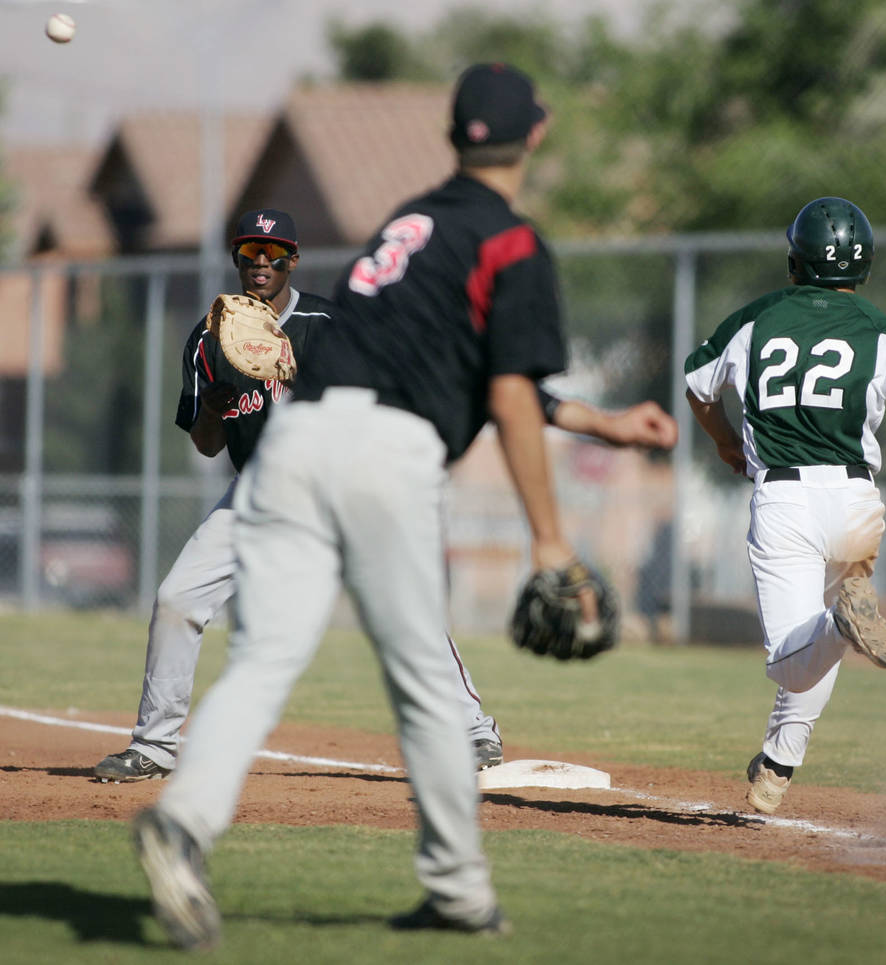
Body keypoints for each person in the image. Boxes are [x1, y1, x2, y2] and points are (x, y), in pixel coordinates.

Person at [131, 63, 675, 949]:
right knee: (423, 678)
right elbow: (506, 395)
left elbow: (455, 366)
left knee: (264, 657)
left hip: (295, 446)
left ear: (451, 135)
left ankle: (184, 821)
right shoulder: (513, 243)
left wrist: (605, 426)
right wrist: (550, 541)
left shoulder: (406, 224)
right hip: (389, 455)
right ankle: (459, 889)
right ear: (534, 137)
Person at [95, 207, 677, 786]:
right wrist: (222, 396)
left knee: (406, 606)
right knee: (177, 599)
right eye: (250, 252)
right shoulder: (210, 335)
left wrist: (296, 371)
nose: (262, 262)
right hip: (261, 490)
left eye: (274, 253)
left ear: (294, 260)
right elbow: (205, 442)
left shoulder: (331, 322)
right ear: (237, 260)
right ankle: (154, 745)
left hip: (343, 481)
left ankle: (473, 728)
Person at [683, 196, 886, 816]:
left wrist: (724, 440)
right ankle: (777, 767)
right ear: (866, 265)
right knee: (817, 645)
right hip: (857, 500)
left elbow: (698, 384)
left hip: (785, 500)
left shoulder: (756, 319)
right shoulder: (884, 329)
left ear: (793, 261)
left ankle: (842, 621)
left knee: (794, 660)